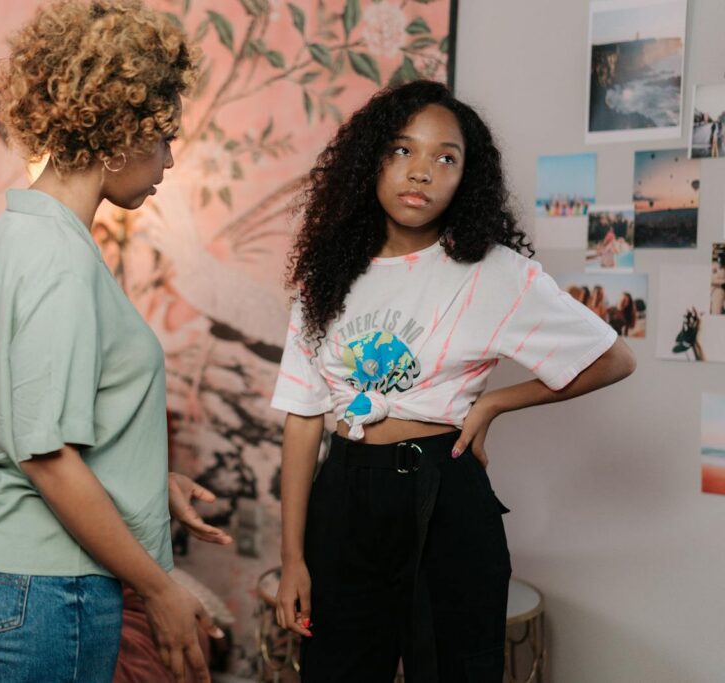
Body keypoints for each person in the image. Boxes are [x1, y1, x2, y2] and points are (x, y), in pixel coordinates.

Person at [270, 80, 636, 682]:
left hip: (443, 494)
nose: (421, 171)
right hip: (343, 494)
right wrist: (292, 559)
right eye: (402, 150)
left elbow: (612, 358)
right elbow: (303, 417)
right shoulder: (327, 275)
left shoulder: (493, 271)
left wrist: (492, 405)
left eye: (446, 158)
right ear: (370, 160)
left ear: (467, 178)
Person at [0, 3, 231, 682]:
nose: (169, 158)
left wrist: (146, 481)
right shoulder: (58, 258)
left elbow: (28, 419)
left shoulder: (11, 233)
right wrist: (159, 587)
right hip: (39, 580)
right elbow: (46, 458)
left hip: (0, 568)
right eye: (162, 137)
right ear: (119, 134)